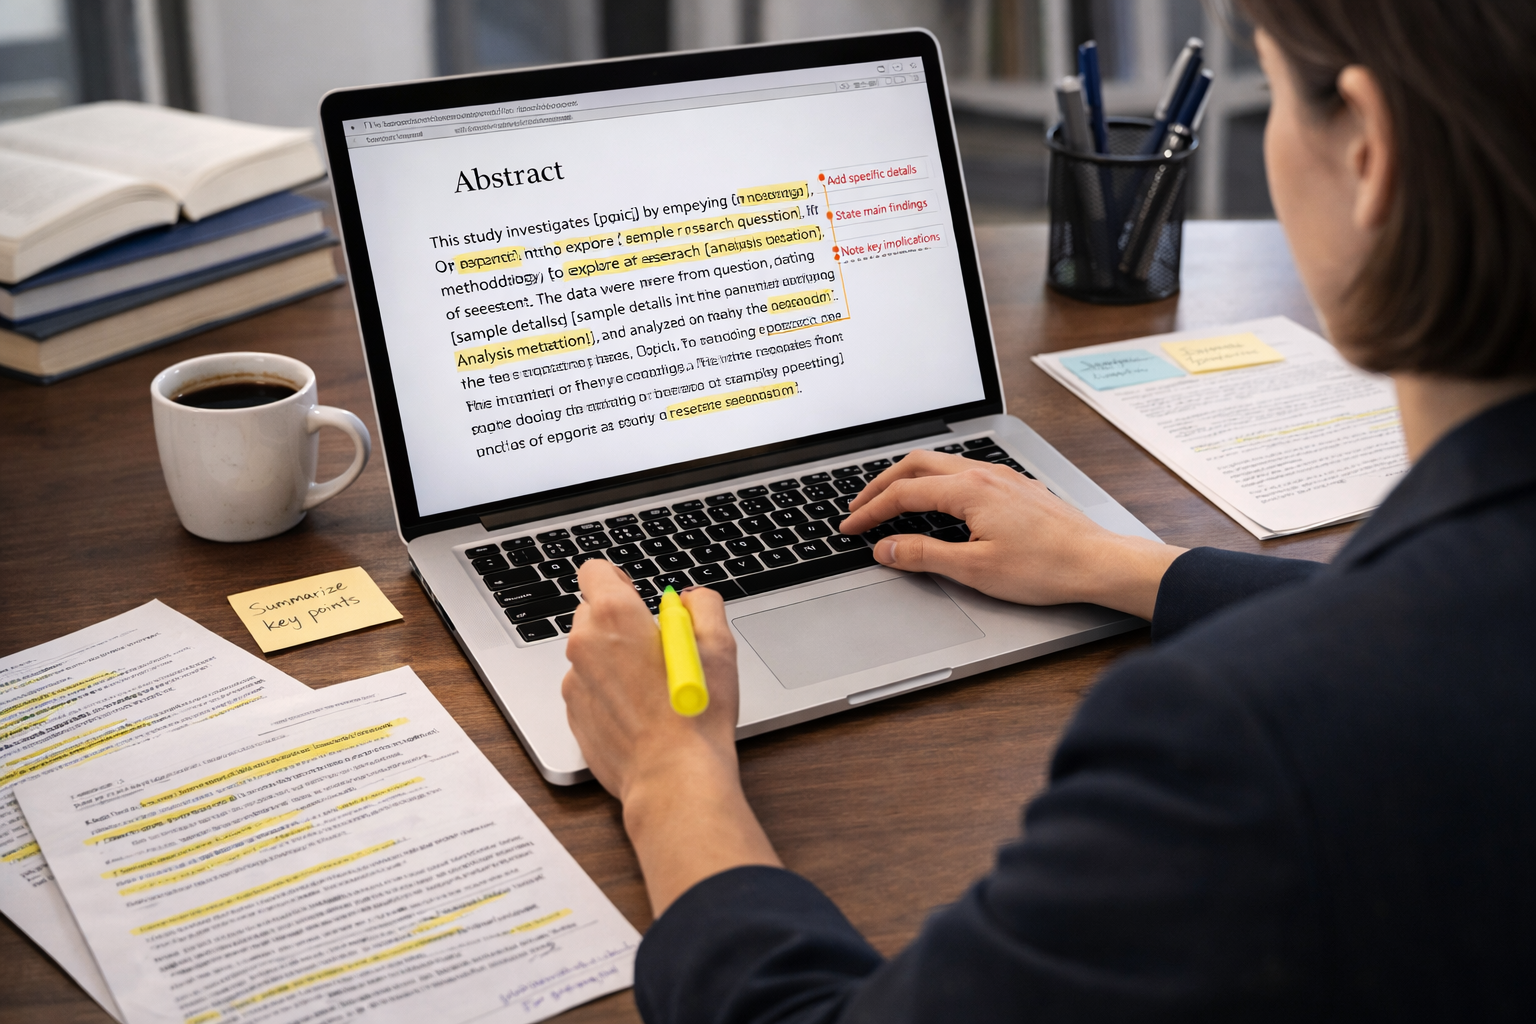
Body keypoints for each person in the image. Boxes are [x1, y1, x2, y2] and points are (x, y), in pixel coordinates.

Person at [560, 0, 1536, 1018]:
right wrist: (1123, 566)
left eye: (1277, 93)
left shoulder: (1235, 741)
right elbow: (1450, 623)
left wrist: (671, 773)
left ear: (1369, 152)